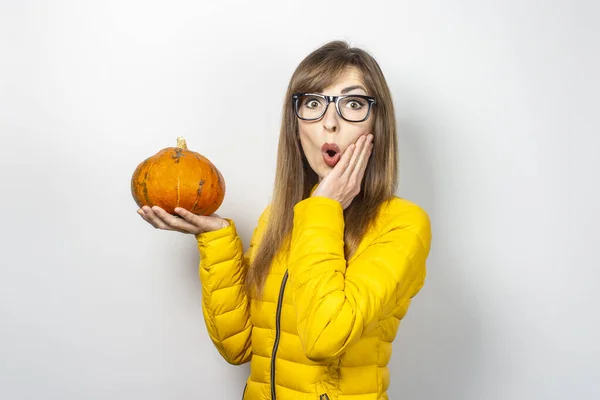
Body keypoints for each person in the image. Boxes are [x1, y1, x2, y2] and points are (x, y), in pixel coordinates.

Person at [137, 40, 432, 400]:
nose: (330, 123)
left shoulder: (403, 224)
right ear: (295, 127)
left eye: (353, 104)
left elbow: (324, 338)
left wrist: (325, 208)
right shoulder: (279, 218)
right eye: (313, 103)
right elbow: (241, 348)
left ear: (377, 124)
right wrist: (216, 241)